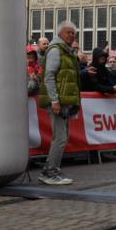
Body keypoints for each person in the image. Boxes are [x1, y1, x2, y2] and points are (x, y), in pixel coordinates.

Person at [39, 21, 81, 185]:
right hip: (58, 101)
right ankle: (50, 172)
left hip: (64, 101)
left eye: (73, 33)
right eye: (68, 32)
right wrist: (55, 100)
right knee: (60, 138)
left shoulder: (66, 51)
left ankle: (50, 169)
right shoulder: (57, 50)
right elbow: (49, 76)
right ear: (60, 34)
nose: (71, 35)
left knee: (61, 137)